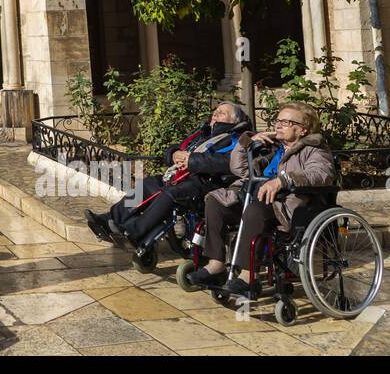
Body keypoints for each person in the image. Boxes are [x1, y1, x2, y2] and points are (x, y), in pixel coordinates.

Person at [186, 101, 336, 298]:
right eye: (278, 120)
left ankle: (248, 276)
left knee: (255, 210)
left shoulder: (314, 150)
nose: (278, 125)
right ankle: (216, 264)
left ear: (302, 130)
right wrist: (248, 143)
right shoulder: (274, 148)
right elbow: (239, 169)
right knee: (216, 202)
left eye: (286, 122)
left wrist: (282, 181)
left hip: (286, 204)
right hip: (255, 196)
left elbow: (322, 174)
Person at [85, 101, 250, 248]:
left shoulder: (237, 139)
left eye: (221, 113)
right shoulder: (204, 133)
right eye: (215, 111)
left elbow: (228, 163)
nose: (215, 114)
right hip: (182, 177)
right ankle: (111, 219)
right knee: (148, 184)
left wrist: (191, 160)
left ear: (234, 121)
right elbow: (178, 147)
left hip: (206, 183)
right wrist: (174, 154)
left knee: (170, 194)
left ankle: (134, 231)